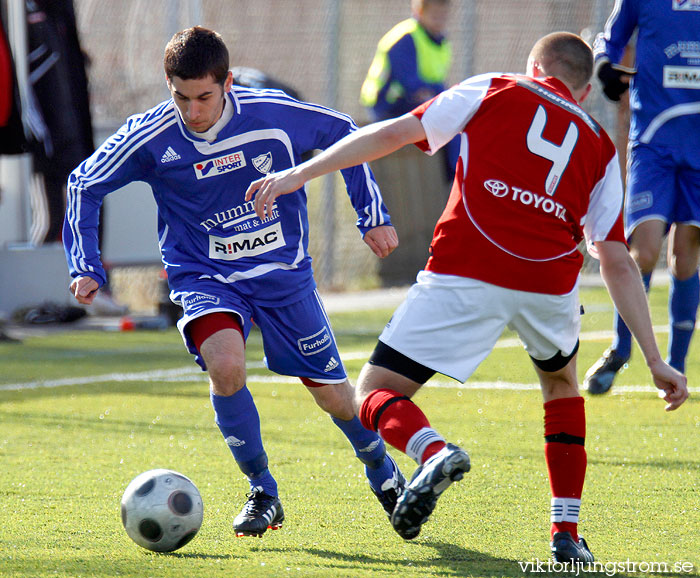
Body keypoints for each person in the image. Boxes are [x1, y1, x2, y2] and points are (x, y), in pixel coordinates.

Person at [246, 32, 689, 561]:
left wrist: (301, 172)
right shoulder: (597, 142)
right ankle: (566, 534)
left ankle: (431, 451)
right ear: (585, 87)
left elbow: (395, 133)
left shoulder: (496, 88)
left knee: (374, 390)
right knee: (560, 383)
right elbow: (615, 258)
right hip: (549, 282)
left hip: (468, 266)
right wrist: (656, 358)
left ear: (534, 64)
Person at [63, 26, 405, 538]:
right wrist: (85, 266)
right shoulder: (151, 135)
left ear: (227, 83)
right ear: (168, 84)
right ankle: (263, 490)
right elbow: (83, 182)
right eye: (181, 97)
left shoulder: (272, 114)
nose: (193, 110)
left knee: (335, 399)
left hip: (282, 276)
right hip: (204, 275)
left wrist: (371, 214)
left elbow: (344, 132)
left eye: (204, 96)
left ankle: (382, 469)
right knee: (226, 366)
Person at [584, 0, 700, 394]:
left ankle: (676, 368)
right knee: (644, 251)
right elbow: (610, 40)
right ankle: (620, 348)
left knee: (685, 258)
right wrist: (604, 67)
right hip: (653, 142)